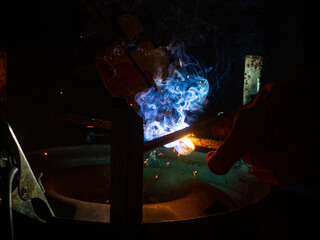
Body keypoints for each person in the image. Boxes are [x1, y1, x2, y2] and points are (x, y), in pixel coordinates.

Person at [206, 66, 320, 185]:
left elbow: (219, 165)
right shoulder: (252, 153)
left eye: (224, 123)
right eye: (224, 130)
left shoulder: (253, 116)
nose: (226, 126)